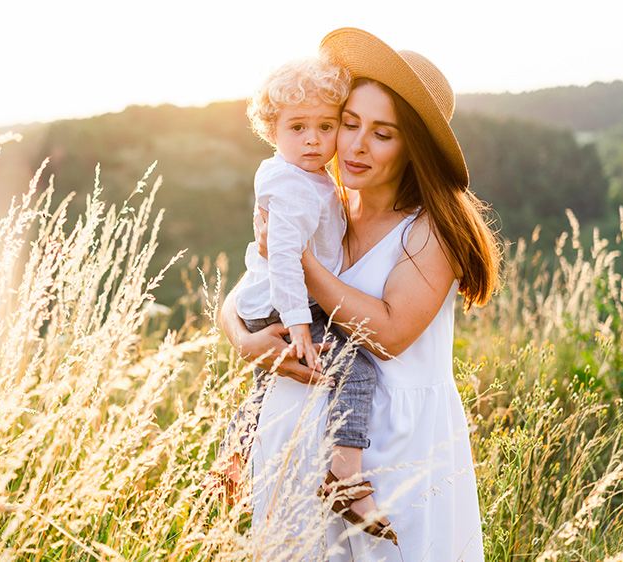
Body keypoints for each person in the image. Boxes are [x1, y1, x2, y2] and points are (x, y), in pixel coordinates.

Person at [219, 28, 500, 561]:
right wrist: (244, 340)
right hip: (296, 439)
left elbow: (389, 334)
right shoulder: (321, 202)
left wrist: (299, 260)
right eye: (350, 124)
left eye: (383, 133)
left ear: (412, 148)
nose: (355, 145)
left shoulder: (430, 229)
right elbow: (248, 291)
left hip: (393, 450)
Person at [214, 55, 394, 543]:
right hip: (284, 304)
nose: (314, 139)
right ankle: (345, 476)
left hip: (273, 303)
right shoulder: (292, 183)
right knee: (355, 366)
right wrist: (296, 326)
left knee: (265, 387)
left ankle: (231, 460)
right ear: (272, 131)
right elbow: (286, 261)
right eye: (298, 127)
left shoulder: (305, 175)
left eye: (326, 126)